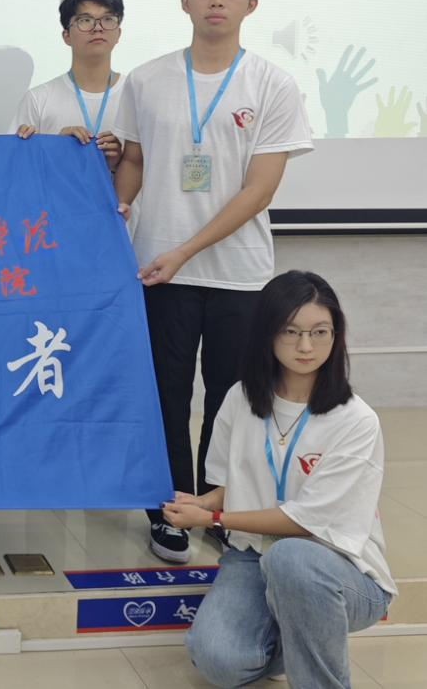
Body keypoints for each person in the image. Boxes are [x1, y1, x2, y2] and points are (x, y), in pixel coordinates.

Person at [113, 0, 312, 563]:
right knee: (166, 397)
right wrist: (116, 214)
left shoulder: (273, 84)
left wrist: (186, 249)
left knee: (231, 400)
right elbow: (133, 162)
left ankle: (217, 509)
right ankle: (170, 511)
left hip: (238, 274)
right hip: (158, 270)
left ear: (252, 3)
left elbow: (260, 190)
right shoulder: (146, 79)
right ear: (185, 1)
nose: (216, 1)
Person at [163, 270, 394, 688]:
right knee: (217, 660)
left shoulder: (356, 420)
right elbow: (234, 485)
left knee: (291, 558)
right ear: (267, 334)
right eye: (291, 332)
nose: (306, 346)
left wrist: (212, 520)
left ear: (336, 335)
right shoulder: (240, 399)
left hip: (338, 565)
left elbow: (306, 523)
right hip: (254, 555)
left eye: (319, 332)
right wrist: (204, 502)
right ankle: (302, 632)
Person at [15, 0, 124, 170]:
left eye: (108, 19)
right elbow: (18, 167)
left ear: (118, 33)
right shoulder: (38, 98)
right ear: (66, 36)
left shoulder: (136, 94)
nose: (98, 28)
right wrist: (56, 149)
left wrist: (119, 162)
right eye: (85, 20)